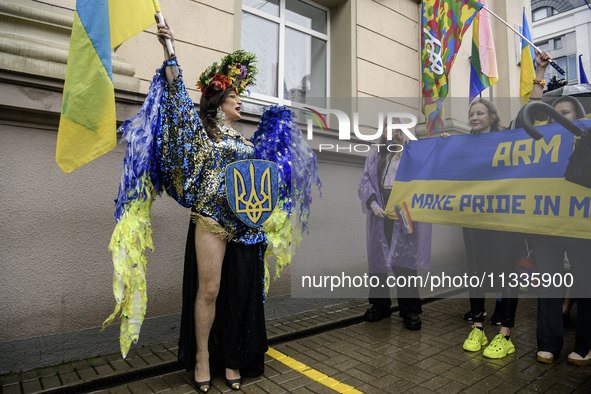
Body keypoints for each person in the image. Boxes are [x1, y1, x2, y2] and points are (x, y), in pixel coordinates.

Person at [156, 21, 267, 391]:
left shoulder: (242, 138)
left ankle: (232, 359)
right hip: (211, 219)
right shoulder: (201, 131)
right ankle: (203, 357)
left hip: (245, 225)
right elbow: (175, 92)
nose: (240, 98)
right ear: (218, 99)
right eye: (234, 93)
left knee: (238, 293)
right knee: (210, 290)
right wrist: (170, 48)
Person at [442, 99, 521, 359]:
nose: (474, 117)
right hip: (474, 217)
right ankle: (478, 327)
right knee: (475, 270)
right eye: (471, 114)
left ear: (491, 116)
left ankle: (505, 333)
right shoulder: (464, 144)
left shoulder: (506, 138)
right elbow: (448, 166)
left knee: (507, 270)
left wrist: (539, 81)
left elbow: (528, 119)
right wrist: (443, 144)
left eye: (480, 112)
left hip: (503, 217)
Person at [527, 51, 591, 365]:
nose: (560, 118)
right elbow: (529, 112)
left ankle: (586, 344)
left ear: (580, 117)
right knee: (549, 289)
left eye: (566, 113)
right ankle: (549, 343)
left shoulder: (588, 139)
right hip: (546, 227)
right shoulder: (541, 139)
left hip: (582, 227)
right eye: (555, 114)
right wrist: (540, 71)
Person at [358, 122, 432, 330]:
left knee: (405, 259)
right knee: (378, 259)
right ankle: (380, 305)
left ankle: (409, 309)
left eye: (393, 126)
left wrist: (441, 141)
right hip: (380, 211)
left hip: (403, 210)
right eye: (385, 126)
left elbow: (424, 172)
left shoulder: (410, 152)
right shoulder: (375, 155)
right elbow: (364, 182)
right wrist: (372, 204)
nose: (388, 130)